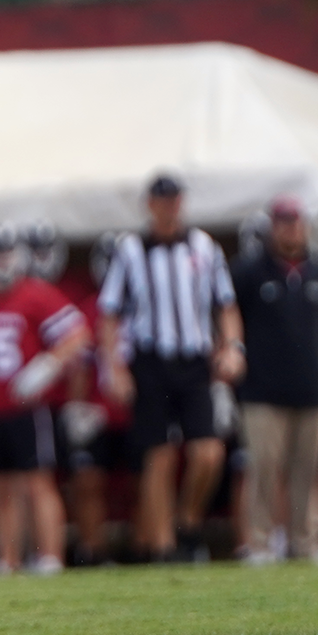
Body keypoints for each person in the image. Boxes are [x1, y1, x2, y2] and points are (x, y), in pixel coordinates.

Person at [97, 173, 243, 561]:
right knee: (158, 455)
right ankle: (163, 546)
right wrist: (115, 367)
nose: (168, 206)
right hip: (151, 359)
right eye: (161, 200)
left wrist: (233, 348)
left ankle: (187, 520)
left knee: (208, 452)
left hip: (194, 359)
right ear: (150, 204)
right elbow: (109, 313)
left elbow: (225, 304)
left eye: (174, 199)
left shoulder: (203, 247)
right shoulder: (130, 250)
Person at [0, 225, 88, 574]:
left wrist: (47, 365)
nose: (2, 261)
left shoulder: (36, 293)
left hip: (28, 407)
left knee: (37, 482)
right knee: (0, 487)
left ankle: (49, 556)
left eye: (6, 253)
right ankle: (9, 558)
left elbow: (77, 334)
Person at [231, 197, 318, 564]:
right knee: (265, 468)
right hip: (263, 389)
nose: (290, 228)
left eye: (295, 221)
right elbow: (229, 322)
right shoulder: (250, 272)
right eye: (282, 221)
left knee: (309, 469)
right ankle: (262, 541)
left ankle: (307, 541)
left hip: (313, 387)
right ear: (272, 226)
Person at [59, 234, 134, 565]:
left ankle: (146, 547)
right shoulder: (90, 308)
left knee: (146, 480)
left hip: (138, 409)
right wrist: (76, 405)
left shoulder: (147, 306)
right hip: (98, 411)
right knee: (88, 481)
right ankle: (93, 551)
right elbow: (82, 364)